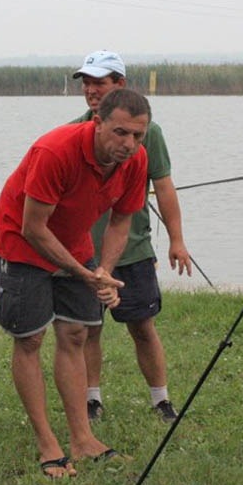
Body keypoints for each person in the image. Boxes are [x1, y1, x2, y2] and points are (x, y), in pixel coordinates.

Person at [0, 88, 151, 479]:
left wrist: (105, 271)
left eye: (138, 136)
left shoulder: (136, 161)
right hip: (22, 242)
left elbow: (121, 220)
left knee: (76, 334)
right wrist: (85, 275)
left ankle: (83, 438)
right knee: (29, 339)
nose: (128, 144)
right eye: (120, 133)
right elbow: (34, 227)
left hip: (74, 244)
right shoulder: (55, 150)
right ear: (97, 123)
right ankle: (48, 445)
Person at [70, 50, 193, 424]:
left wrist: (176, 240)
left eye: (100, 83)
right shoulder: (75, 129)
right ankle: (92, 399)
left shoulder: (148, 132)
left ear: (119, 85)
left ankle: (161, 400)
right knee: (87, 329)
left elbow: (165, 185)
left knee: (142, 326)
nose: (92, 90)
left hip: (133, 250)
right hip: (85, 252)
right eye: (87, 83)